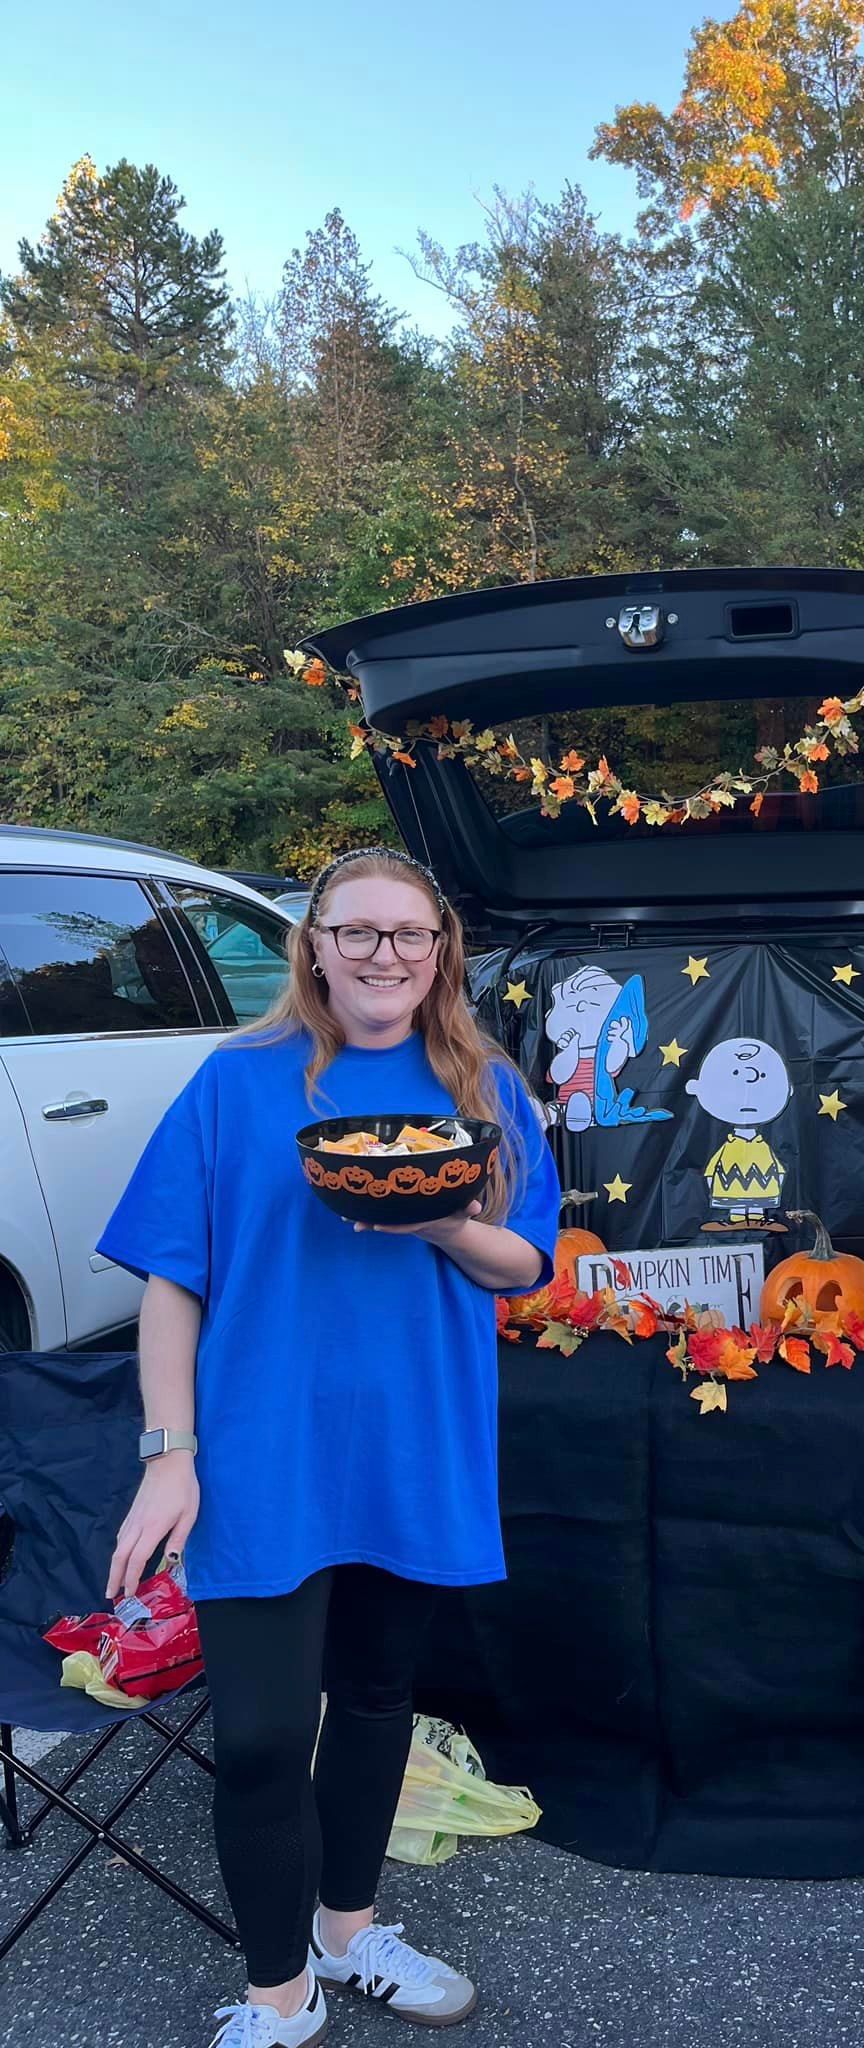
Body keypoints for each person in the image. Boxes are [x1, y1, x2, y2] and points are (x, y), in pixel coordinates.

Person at [98, 847, 560, 2048]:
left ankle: (347, 1934)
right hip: (258, 1449)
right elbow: (171, 1280)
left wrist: (445, 1215)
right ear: (313, 943)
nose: (383, 956)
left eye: (409, 935)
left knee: (372, 1698)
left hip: (412, 1441)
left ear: (441, 947)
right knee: (256, 1734)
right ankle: (276, 1993)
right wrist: (169, 1449)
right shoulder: (236, 1081)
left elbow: (528, 1264)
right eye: (356, 932)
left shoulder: (482, 1080)